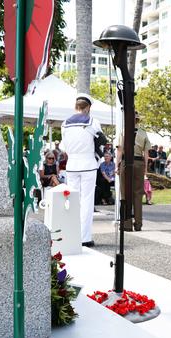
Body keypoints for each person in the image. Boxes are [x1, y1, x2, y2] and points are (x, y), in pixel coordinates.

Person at [60, 94, 104, 247]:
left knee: (72, 200)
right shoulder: (93, 122)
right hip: (88, 165)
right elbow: (101, 143)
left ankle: (71, 235)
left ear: (76, 107)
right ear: (88, 108)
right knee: (86, 201)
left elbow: (63, 147)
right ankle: (84, 237)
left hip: (72, 165)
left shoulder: (65, 123)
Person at [117, 121, 152, 231]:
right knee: (138, 194)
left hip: (126, 161)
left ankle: (126, 223)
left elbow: (119, 150)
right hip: (138, 163)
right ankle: (138, 224)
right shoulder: (143, 133)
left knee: (124, 192)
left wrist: (117, 165)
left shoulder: (123, 132)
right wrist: (145, 168)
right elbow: (146, 153)